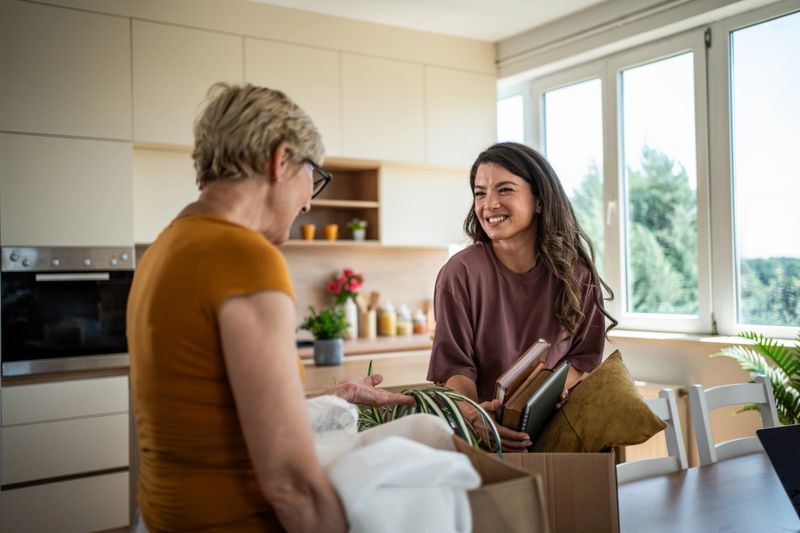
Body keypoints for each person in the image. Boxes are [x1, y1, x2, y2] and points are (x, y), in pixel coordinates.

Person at [127, 83, 414, 532]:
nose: (310, 201)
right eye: (312, 177)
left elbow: (217, 412)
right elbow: (291, 483)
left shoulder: (166, 246)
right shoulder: (245, 257)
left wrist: (335, 399)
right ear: (281, 161)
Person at [427, 142, 617, 452]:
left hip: (560, 433)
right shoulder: (459, 273)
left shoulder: (577, 273)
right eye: (480, 193)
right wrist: (478, 420)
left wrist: (543, 397)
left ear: (539, 201)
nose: (489, 205)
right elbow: (455, 369)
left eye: (504, 190)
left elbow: (583, 359)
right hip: (485, 438)